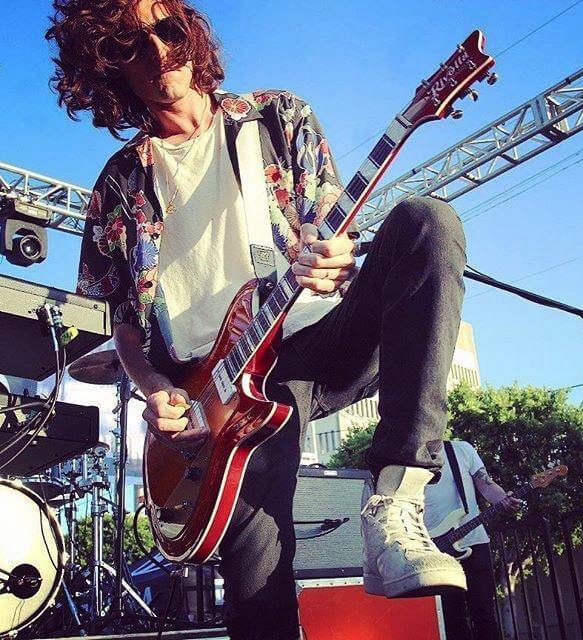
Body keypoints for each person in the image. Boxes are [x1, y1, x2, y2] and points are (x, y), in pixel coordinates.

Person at [47, 1, 469, 637]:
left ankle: (397, 495)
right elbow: (124, 327)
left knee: (426, 222)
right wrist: (156, 388)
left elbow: (328, 226)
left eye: (167, 30)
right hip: (213, 398)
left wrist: (335, 258)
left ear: (190, 32)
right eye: (131, 44)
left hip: (315, 335)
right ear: (106, 66)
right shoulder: (117, 187)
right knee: (257, 587)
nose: (159, 52)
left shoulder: (277, 117)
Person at [424, 439, 523, 640]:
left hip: (474, 542)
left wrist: (503, 498)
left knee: (484, 614)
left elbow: (486, 485)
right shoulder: (410, 459)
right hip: (436, 549)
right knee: (452, 620)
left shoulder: (462, 450)